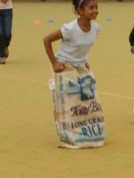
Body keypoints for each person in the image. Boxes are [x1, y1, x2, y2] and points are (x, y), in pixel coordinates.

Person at [43, 0, 105, 149]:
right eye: (91, 8)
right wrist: (54, 63)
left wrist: (84, 61)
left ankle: (87, 135)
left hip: (81, 68)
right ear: (80, 10)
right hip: (65, 68)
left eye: (96, 7)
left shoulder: (96, 28)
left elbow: (84, 47)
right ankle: (70, 137)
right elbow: (47, 40)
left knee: (89, 102)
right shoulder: (70, 29)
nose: (95, 10)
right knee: (70, 105)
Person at [0, 0, 13, 64]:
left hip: (7, 10)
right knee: (0, 33)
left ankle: (5, 45)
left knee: (7, 34)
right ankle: (2, 56)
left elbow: (4, 0)